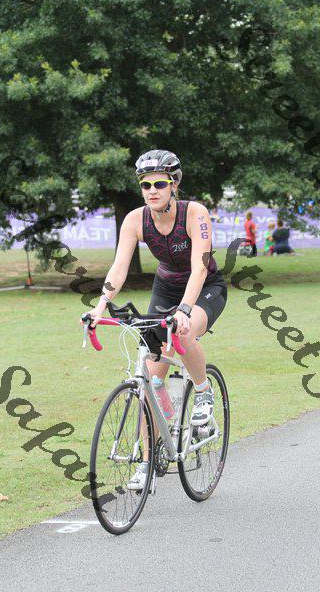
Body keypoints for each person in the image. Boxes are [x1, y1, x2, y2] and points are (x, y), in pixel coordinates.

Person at [85, 149, 228, 490]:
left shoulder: (195, 213)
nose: (152, 190)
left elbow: (200, 267)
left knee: (184, 333)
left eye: (159, 184)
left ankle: (203, 391)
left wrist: (185, 310)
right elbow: (119, 267)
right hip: (164, 289)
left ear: (173, 185)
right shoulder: (135, 220)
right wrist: (100, 306)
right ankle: (147, 462)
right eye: (146, 185)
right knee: (149, 381)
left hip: (204, 288)